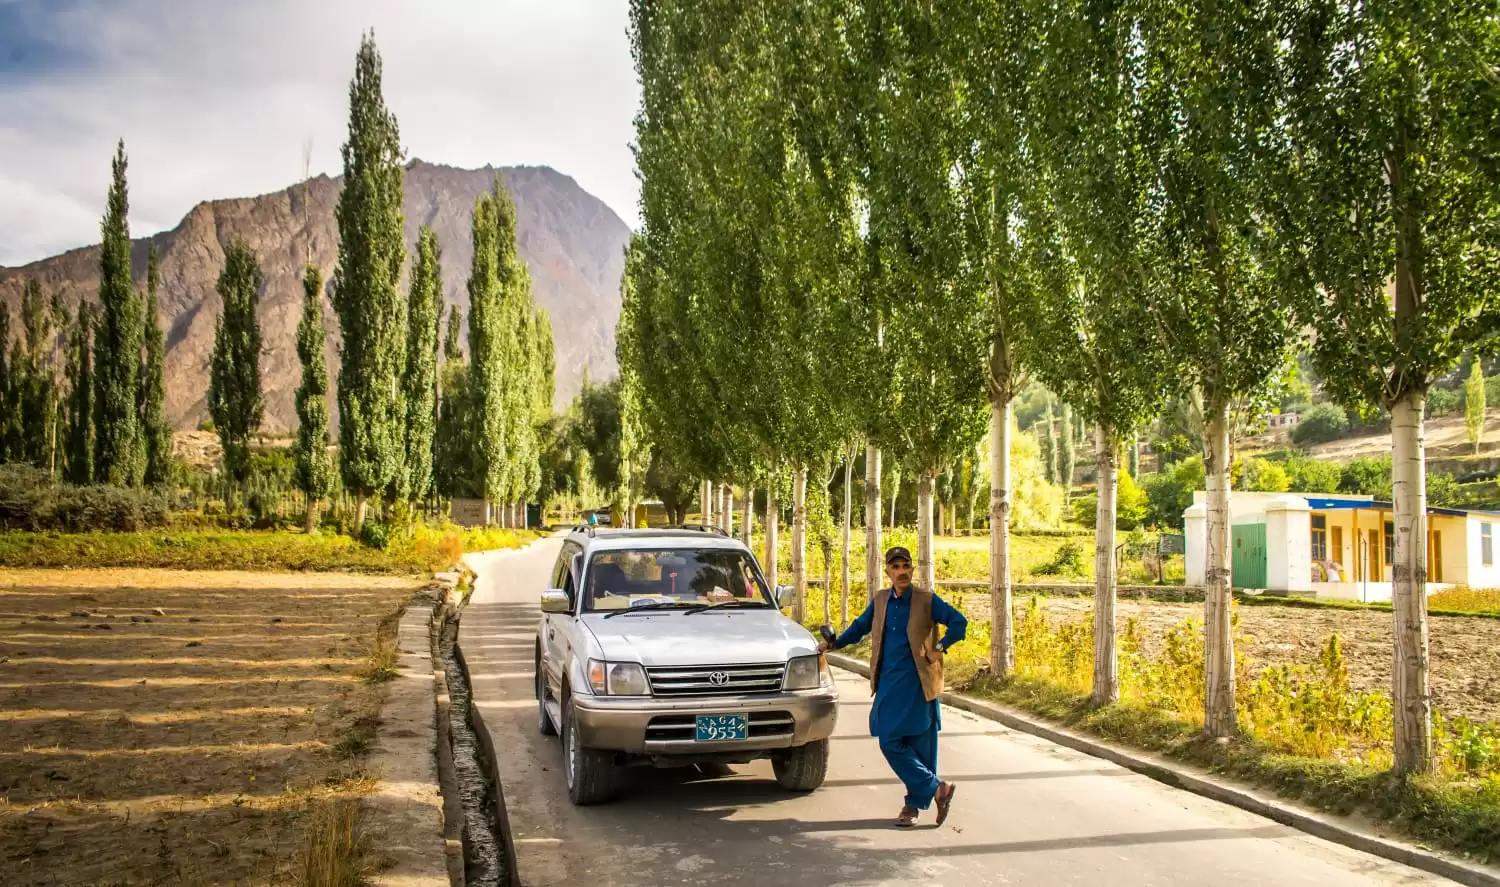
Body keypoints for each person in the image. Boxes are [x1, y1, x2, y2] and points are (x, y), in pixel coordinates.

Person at [819, 545, 967, 828]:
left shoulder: (926, 600)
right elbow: (861, 626)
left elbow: (959, 624)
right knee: (888, 738)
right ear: (887, 572)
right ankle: (937, 788)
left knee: (921, 744)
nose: (902, 572)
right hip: (889, 681)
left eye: (906, 566)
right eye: (896, 567)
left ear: (912, 569)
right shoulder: (881, 600)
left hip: (918, 683)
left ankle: (913, 806)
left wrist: (939, 647)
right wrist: (833, 643)